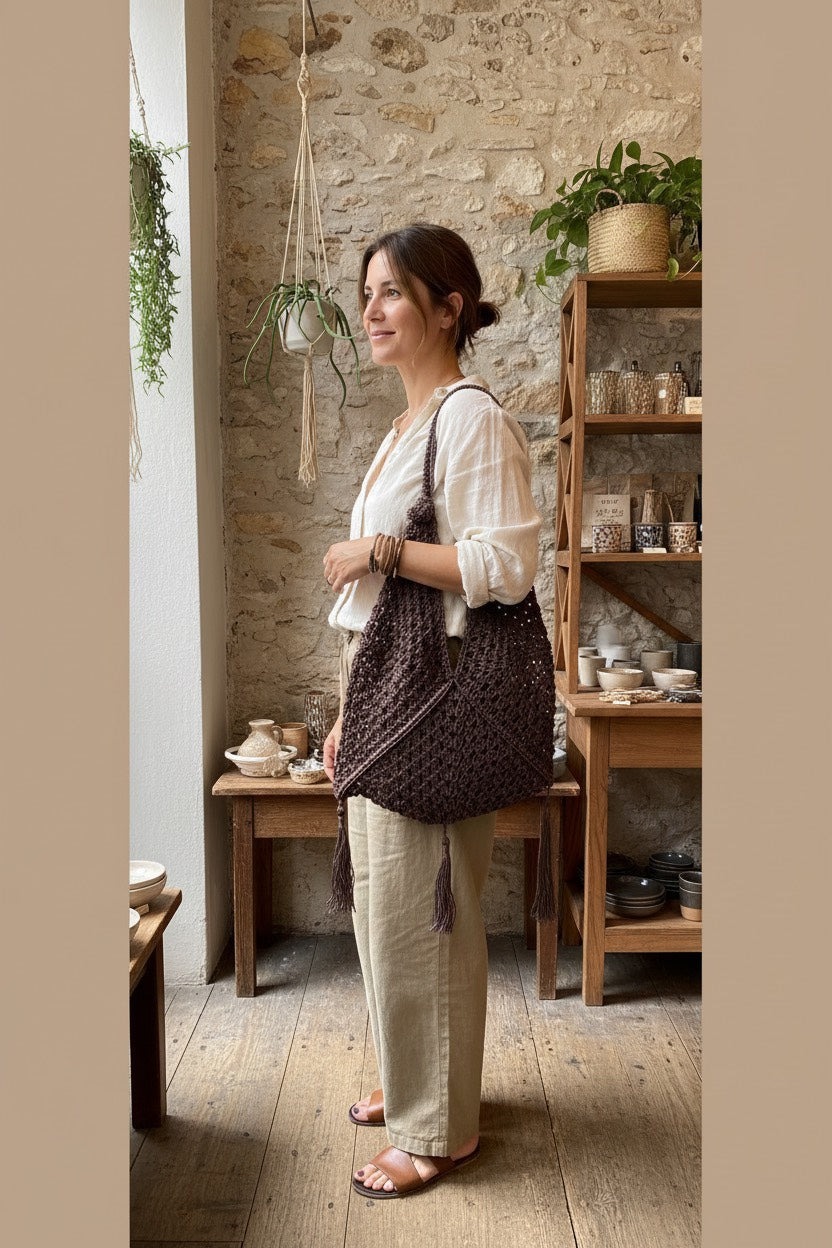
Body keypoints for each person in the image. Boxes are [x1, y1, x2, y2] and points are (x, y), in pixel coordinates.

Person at [321, 222, 543, 1199]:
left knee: (427, 918)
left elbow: (505, 565)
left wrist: (377, 551)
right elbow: (376, 610)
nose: (370, 310)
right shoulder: (405, 429)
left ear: (448, 309)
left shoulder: (469, 419)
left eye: (392, 293)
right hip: (387, 689)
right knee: (386, 911)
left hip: (437, 697)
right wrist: (345, 714)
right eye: (366, 292)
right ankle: (414, 1080)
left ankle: (439, 1130)